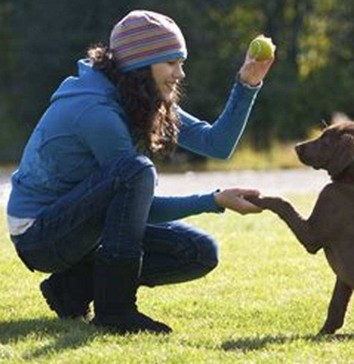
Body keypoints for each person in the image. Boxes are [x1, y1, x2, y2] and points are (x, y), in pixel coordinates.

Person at [6, 10, 274, 334]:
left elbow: (216, 144)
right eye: (171, 63)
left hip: (81, 227)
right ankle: (115, 311)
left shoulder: (137, 94)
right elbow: (140, 203)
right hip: (40, 234)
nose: (180, 73)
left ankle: (72, 288)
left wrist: (248, 82)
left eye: (181, 62)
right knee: (135, 172)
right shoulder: (97, 111)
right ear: (140, 66)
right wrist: (213, 200)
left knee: (199, 252)